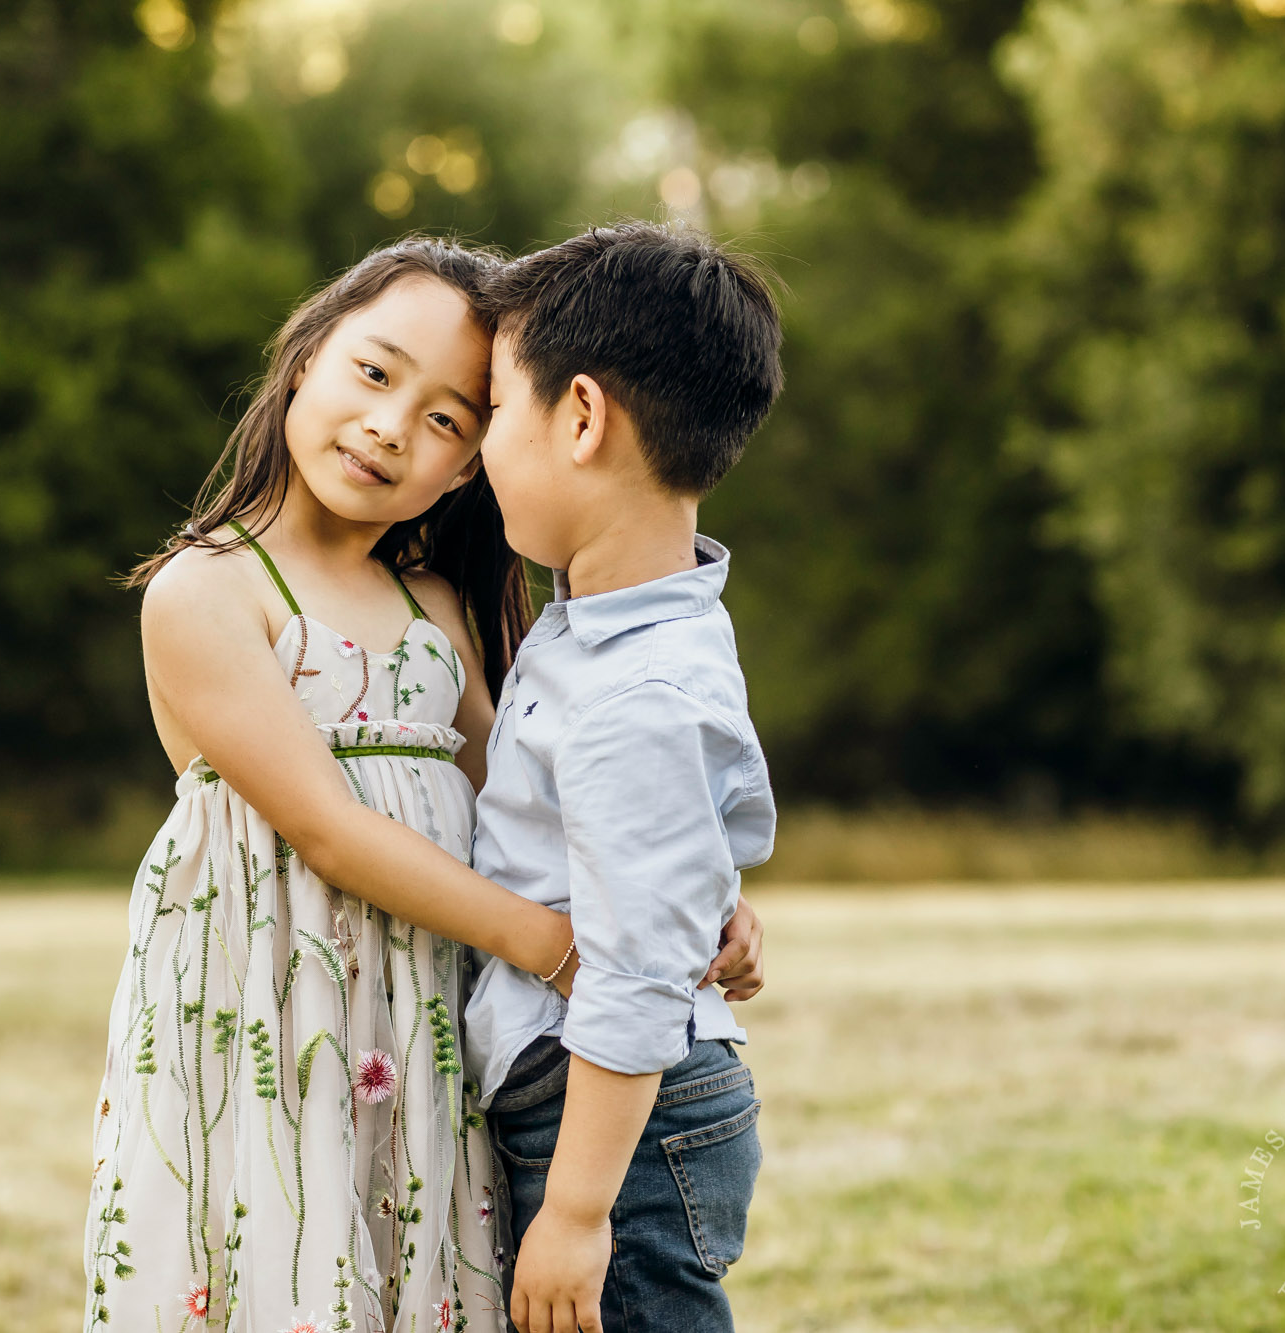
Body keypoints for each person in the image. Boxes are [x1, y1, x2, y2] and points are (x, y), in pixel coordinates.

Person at [82, 236, 764, 1333]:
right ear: (305, 354)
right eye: (373, 371)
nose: (394, 425)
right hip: (278, 1002)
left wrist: (692, 894)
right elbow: (332, 834)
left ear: (472, 461)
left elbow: (539, 809)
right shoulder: (207, 592)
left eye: (452, 416)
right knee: (289, 1249)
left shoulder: (436, 610)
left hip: (423, 1016)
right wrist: (555, 943)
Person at [464, 222, 784, 1333]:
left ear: (583, 416)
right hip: (606, 1108)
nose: (477, 446)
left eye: (497, 409)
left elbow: (639, 969)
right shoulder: (610, 629)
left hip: (613, 1131)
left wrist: (577, 1209)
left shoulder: (632, 688)